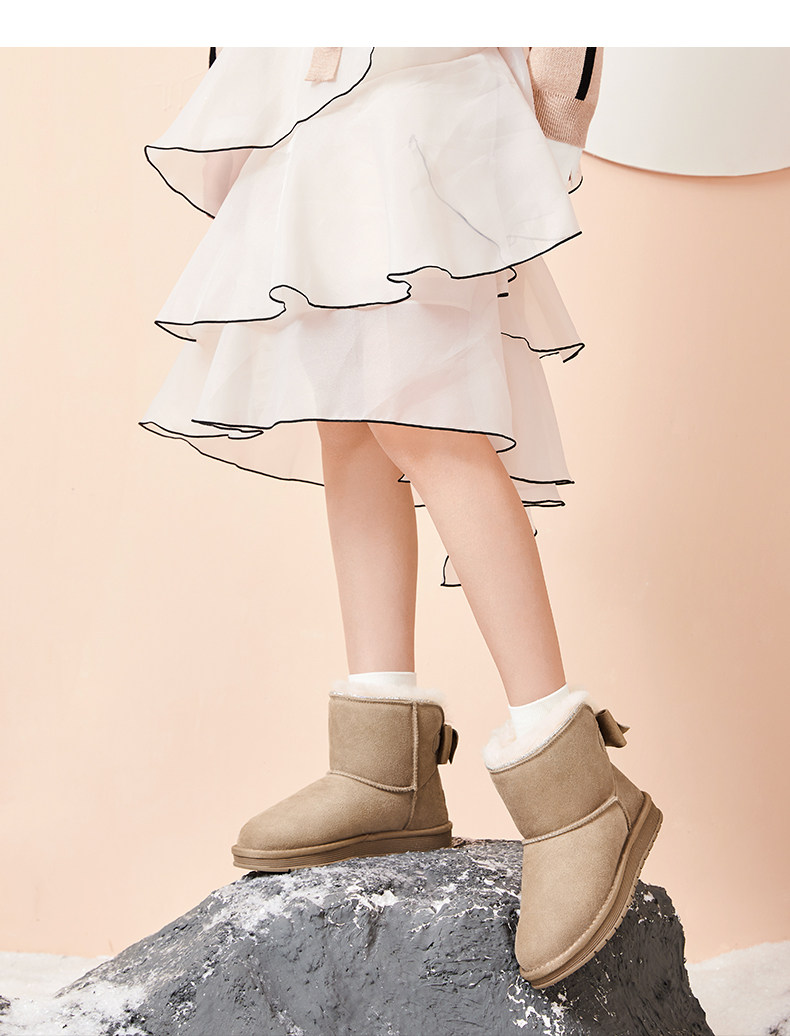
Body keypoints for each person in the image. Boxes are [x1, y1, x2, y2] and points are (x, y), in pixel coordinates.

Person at [140, 47, 661, 989]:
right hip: (310, 96)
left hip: (430, 88)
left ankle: (574, 788)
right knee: (347, 417)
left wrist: (554, 120)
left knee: (427, 414)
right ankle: (382, 764)